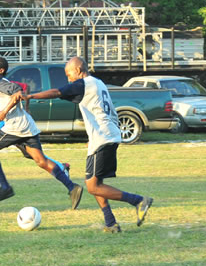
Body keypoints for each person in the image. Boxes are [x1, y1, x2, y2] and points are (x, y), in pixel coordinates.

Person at [22, 56, 153, 232]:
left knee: (93, 186)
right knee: (96, 183)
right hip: (106, 136)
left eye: (69, 74)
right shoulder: (97, 83)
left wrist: (30, 95)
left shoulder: (84, 83)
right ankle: (111, 223)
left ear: (78, 70)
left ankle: (138, 201)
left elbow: (57, 92)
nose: (68, 79)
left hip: (103, 137)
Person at [0, 57, 82, 208]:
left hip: (15, 127)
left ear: (0, 71)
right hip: (26, 126)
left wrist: (5, 111)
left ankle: (5, 188)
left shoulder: (2, 83)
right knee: (41, 161)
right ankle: (72, 187)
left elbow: (18, 92)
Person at [0, 81, 70, 183]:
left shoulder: (4, 84)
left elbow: (24, 87)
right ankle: (61, 166)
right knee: (28, 153)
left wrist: (26, 107)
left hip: (15, 123)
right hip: (7, 123)